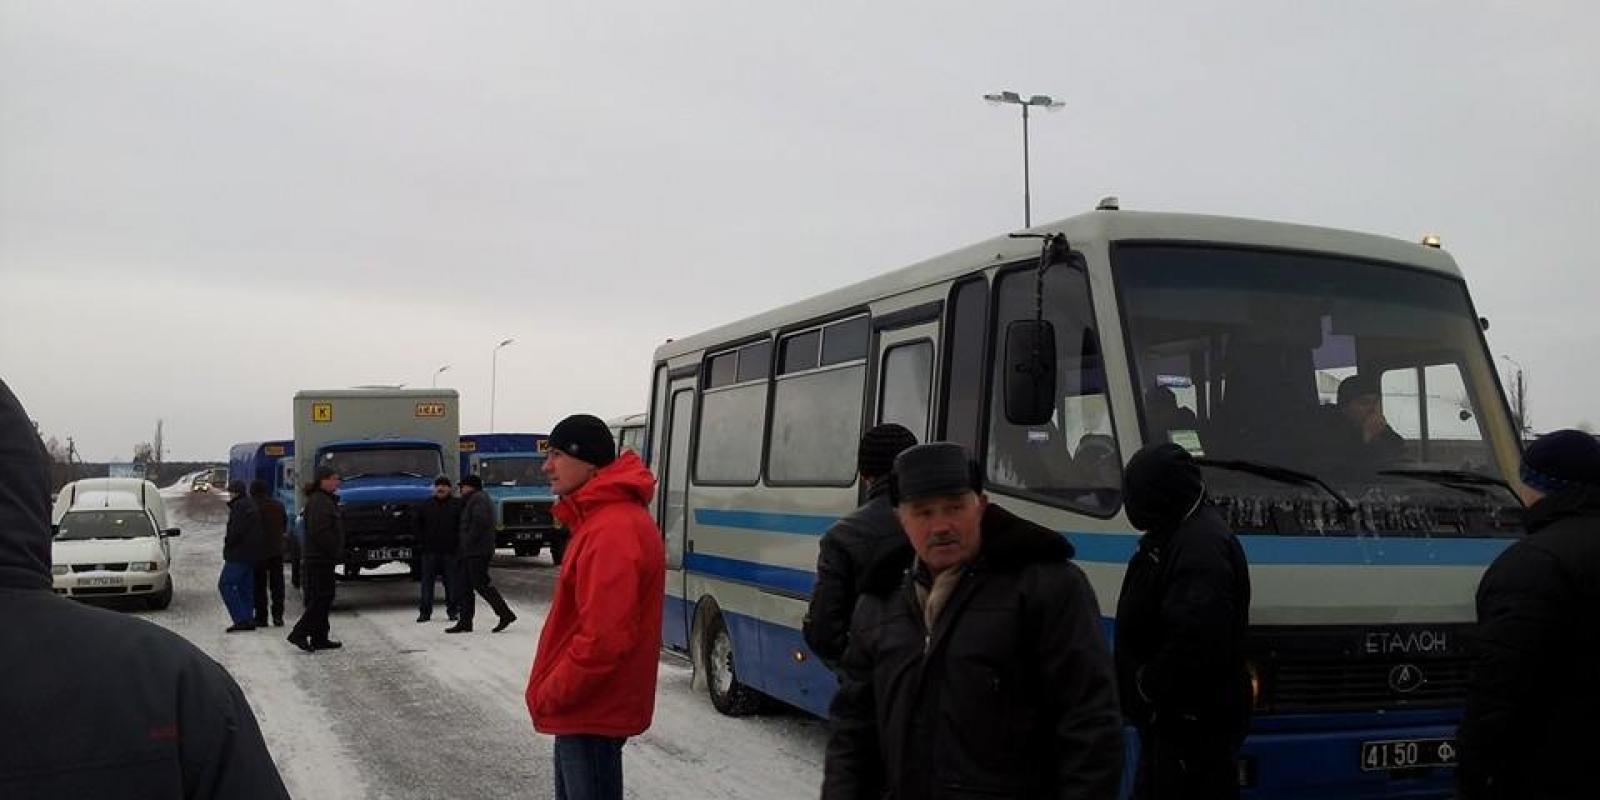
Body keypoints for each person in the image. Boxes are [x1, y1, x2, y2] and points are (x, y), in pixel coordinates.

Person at [0, 379, 290, 797]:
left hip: (248, 558)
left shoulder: (180, 688)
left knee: (239, 586)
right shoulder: (176, 686)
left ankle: (253, 618)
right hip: (251, 561)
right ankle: (256, 616)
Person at [823, 442, 1124, 799]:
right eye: (923, 512)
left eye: (955, 507)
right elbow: (853, 731)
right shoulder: (879, 600)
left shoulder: (1047, 587)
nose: (941, 526)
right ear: (901, 519)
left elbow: (1090, 725)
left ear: (980, 506)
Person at [527, 414, 666, 800]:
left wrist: (553, 691)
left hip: (590, 710)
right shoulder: (602, 521)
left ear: (589, 461)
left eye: (557, 454)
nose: (546, 466)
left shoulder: (612, 529)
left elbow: (604, 639)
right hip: (586, 710)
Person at [1458, 430, 1600, 800]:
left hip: (1553, 770)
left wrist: (1476, 776)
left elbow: (1498, 694)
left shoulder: (1531, 564)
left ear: (1533, 487)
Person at [1115, 443, 1252, 799]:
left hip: (1188, 729)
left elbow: (1194, 640)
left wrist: (1147, 687)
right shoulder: (1180, 533)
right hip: (1180, 726)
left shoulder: (1198, 548)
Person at [803, 423, 918, 668]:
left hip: (872, 681)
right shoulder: (945, 523)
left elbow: (823, 633)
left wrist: (858, 671)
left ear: (865, 477)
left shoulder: (842, 537)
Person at [447, 474, 516, 633]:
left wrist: (467, 541)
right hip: (471, 550)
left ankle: (505, 614)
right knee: (465, 586)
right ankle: (465, 622)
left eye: (462, 486)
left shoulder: (478, 499)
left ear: (470, 486)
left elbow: (479, 523)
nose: (460, 489)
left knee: (481, 584)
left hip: (477, 550)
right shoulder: (473, 499)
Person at [287, 466, 344, 652]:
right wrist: (333, 548)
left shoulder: (324, 500)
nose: (337, 482)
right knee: (322, 597)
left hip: (321, 557)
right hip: (319, 558)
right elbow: (320, 532)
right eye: (334, 478)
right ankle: (299, 633)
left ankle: (320, 638)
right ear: (323, 480)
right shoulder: (320, 502)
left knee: (323, 597)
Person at [1320, 374, 1404, 471]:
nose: (1373, 409)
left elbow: (1398, 446)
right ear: (1344, 407)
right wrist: (1367, 438)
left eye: (1375, 402)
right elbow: (1348, 468)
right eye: (1364, 403)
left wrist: (1379, 434)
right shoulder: (1329, 430)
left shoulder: (1375, 424)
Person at [415, 475, 461, 623]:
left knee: (452, 583)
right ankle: (425, 613)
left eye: (444, 486)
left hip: (450, 551)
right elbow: (417, 526)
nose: (440, 488)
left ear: (449, 489)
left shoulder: (457, 505)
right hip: (429, 551)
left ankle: (453, 611)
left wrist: (459, 545)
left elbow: (462, 527)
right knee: (427, 584)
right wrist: (422, 543)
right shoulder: (426, 505)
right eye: (438, 486)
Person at [220, 480, 261, 633]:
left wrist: (228, 544)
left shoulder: (239, 507)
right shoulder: (251, 505)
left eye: (230, 492)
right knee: (245, 587)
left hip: (238, 554)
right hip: (251, 553)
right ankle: (248, 618)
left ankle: (240, 619)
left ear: (235, 492)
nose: (229, 495)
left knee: (225, 584)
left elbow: (235, 531)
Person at [249, 479, 288, 628]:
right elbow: (284, 525)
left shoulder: (251, 507)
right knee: (277, 585)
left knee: (259, 586)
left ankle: (261, 617)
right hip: (276, 550)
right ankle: (278, 616)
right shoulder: (278, 505)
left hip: (257, 552)